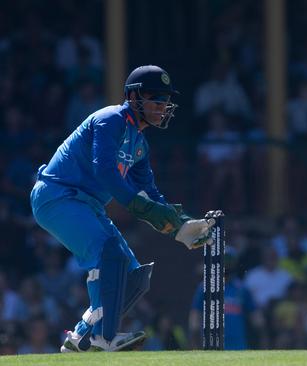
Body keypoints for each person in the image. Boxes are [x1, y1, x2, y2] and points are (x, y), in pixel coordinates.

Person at [30, 65, 217, 352]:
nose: (162, 107)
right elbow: (105, 172)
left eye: (166, 101)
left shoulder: (139, 144)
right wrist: (144, 208)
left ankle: (81, 338)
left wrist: (179, 225)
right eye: (157, 100)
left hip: (88, 205)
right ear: (134, 96)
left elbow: (150, 194)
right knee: (109, 254)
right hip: (58, 195)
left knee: (133, 278)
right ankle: (104, 338)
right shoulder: (111, 119)